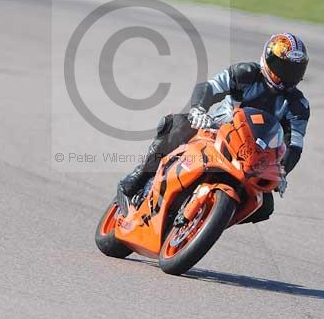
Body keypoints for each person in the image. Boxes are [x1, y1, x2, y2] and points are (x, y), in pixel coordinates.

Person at [117, 32, 310, 223]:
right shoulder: (246, 73)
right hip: (216, 132)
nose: (285, 75)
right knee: (177, 125)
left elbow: (294, 144)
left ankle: (208, 220)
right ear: (267, 60)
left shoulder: (298, 105)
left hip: (253, 157)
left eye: (294, 71)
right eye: (281, 67)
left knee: (264, 207)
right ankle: (138, 178)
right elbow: (210, 87)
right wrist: (198, 110)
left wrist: (282, 170)